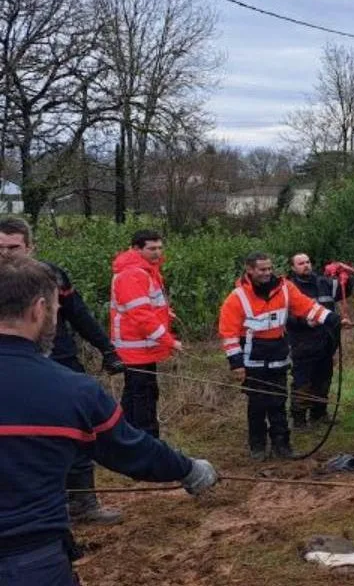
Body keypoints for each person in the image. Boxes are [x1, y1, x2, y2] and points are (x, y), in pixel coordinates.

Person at [0, 253, 218, 586]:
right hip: (29, 562)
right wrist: (189, 469)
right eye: (57, 310)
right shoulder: (73, 390)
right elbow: (132, 451)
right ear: (38, 309)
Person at [0, 218, 126, 526]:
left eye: (13, 247)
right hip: (10, 369)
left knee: (81, 430)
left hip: (59, 362)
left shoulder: (52, 277)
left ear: (30, 247)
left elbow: (79, 315)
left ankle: (83, 501)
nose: (5, 254)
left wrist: (107, 349)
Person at [219, 252, 344, 460]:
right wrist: (236, 364)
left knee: (278, 402)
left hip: (278, 354)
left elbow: (307, 307)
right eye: (262, 270)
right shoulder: (237, 297)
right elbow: (228, 333)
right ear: (250, 270)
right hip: (252, 359)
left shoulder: (285, 288)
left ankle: (282, 445)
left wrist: (330, 318)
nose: (267, 273)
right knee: (258, 403)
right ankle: (257, 446)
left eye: (269, 269)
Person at [109, 229, 183, 439]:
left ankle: (126, 438)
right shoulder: (134, 273)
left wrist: (165, 313)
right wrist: (169, 341)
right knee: (144, 397)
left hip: (142, 347)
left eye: (160, 247)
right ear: (136, 249)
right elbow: (141, 315)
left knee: (136, 394)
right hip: (136, 347)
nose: (157, 253)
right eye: (151, 248)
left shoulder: (145, 270)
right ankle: (147, 443)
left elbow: (146, 305)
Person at [285, 253, 345, 429]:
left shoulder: (324, 283)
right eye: (301, 263)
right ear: (293, 267)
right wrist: (304, 322)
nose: (306, 265)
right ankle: (299, 419)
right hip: (302, 342)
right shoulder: (289, 288)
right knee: (302, 382)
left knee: (323, 379)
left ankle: (319, 414)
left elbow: (345, 289)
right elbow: (285, 318)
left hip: (326, 341)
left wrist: (343, 273)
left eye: (308, 262)